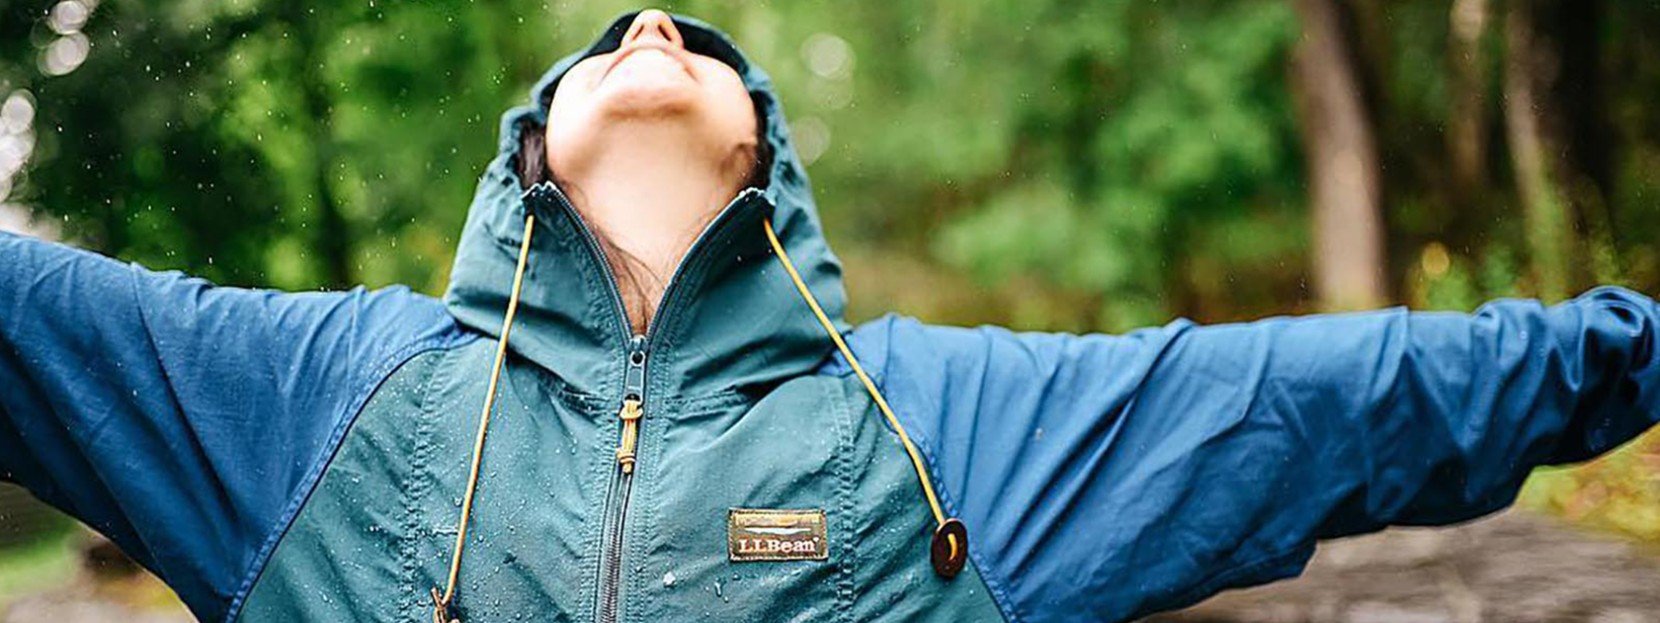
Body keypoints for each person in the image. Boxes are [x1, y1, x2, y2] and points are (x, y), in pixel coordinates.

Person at [2, 9, 1658, 623]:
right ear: (528, 149)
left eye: (703, 37)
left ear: (766, 154)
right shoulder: (321, 396)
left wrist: (1632, 347)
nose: (654, 18)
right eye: (617, 31)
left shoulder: (934, 427)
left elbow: (1332, 398)